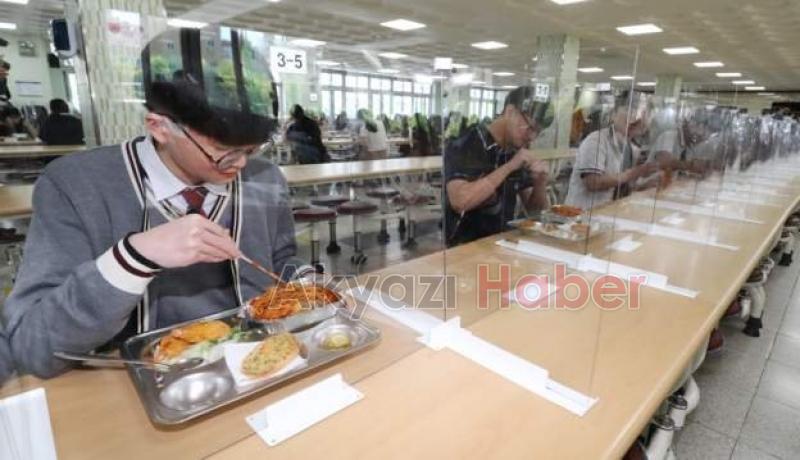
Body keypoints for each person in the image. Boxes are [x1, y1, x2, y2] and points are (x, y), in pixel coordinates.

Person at [2, 26, 314, 378]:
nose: (241, 164)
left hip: (256, 369)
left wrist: (305, 282)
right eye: (224, 153)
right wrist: (134, 257)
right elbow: (33, 348)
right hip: (133, 386)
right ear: (159, 127)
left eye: (252, 150)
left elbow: (281, 260)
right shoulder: (75, 186)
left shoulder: (264, 177)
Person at [444, 86, 552, 247]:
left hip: (502, 244)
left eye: (537, 132)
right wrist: (509, 166)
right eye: (529, 128)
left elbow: (535, 213)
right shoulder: (468, 143)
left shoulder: (516, 150)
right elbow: (460, 201)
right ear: (510, 112)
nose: (532, 137)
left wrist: (540, 183)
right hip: (464, 248)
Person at [564, 97, 659, 210]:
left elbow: (623, 187)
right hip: (583, 214)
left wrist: (646, 185)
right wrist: (633, 173)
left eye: (645, 114)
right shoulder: (596, 140)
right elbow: (593, 182)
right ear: (613, 114)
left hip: (610, 212)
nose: (637, 118)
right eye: (630, 110)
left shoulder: (632, 149)